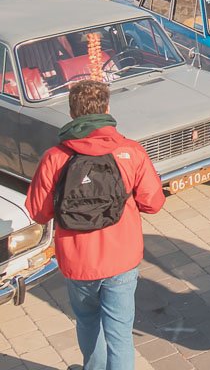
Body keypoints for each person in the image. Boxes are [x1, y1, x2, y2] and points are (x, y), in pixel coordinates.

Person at [25, 81, 164, 370]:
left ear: (73, 112)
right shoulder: (130, 151)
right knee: (120, 333)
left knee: (88, 322)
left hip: (77, 260)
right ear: (107, 109)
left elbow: (38, 212)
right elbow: (154, 203)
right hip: (122, 257)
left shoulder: (55, 156)